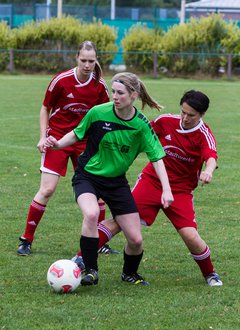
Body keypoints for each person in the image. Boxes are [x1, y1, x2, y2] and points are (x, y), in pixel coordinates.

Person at [74, 89, 223, 287]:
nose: (185, 118)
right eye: (183, 112)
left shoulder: (203, 134)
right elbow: (139, 133)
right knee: (121, 221)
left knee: (190, 235)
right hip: (151, 182)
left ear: (202, 115)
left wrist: (209, 171)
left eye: (191, 115)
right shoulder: (165, 121)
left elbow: (211, 157)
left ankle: (210, 273)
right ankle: (81, 258)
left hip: (180, 191)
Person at [44, 72, 174, 286]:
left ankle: (129, 274)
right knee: (92, 213)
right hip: (88, 176)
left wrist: (166, 190)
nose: (114, 96)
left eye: (120, 93)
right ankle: (91, 270)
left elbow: (158, 158)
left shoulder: (141, 125)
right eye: (113, 91)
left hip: (116, 182)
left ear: (133, 95)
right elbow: (77, 134)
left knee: (136, 239)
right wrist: (57, 144)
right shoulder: (97, 113)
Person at [17, 40, 110, 256]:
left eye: (91, 61)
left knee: (98, 192)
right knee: (47, 189)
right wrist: (42, 137)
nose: (87, 65)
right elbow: (45, 108)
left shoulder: (100, 86)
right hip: (57, 138)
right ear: (77, 58)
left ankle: (101, 241)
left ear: (96, 60)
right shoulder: (61, 80)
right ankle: (26, 240)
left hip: (84, 141)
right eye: (84, 60)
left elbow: (105, 114)